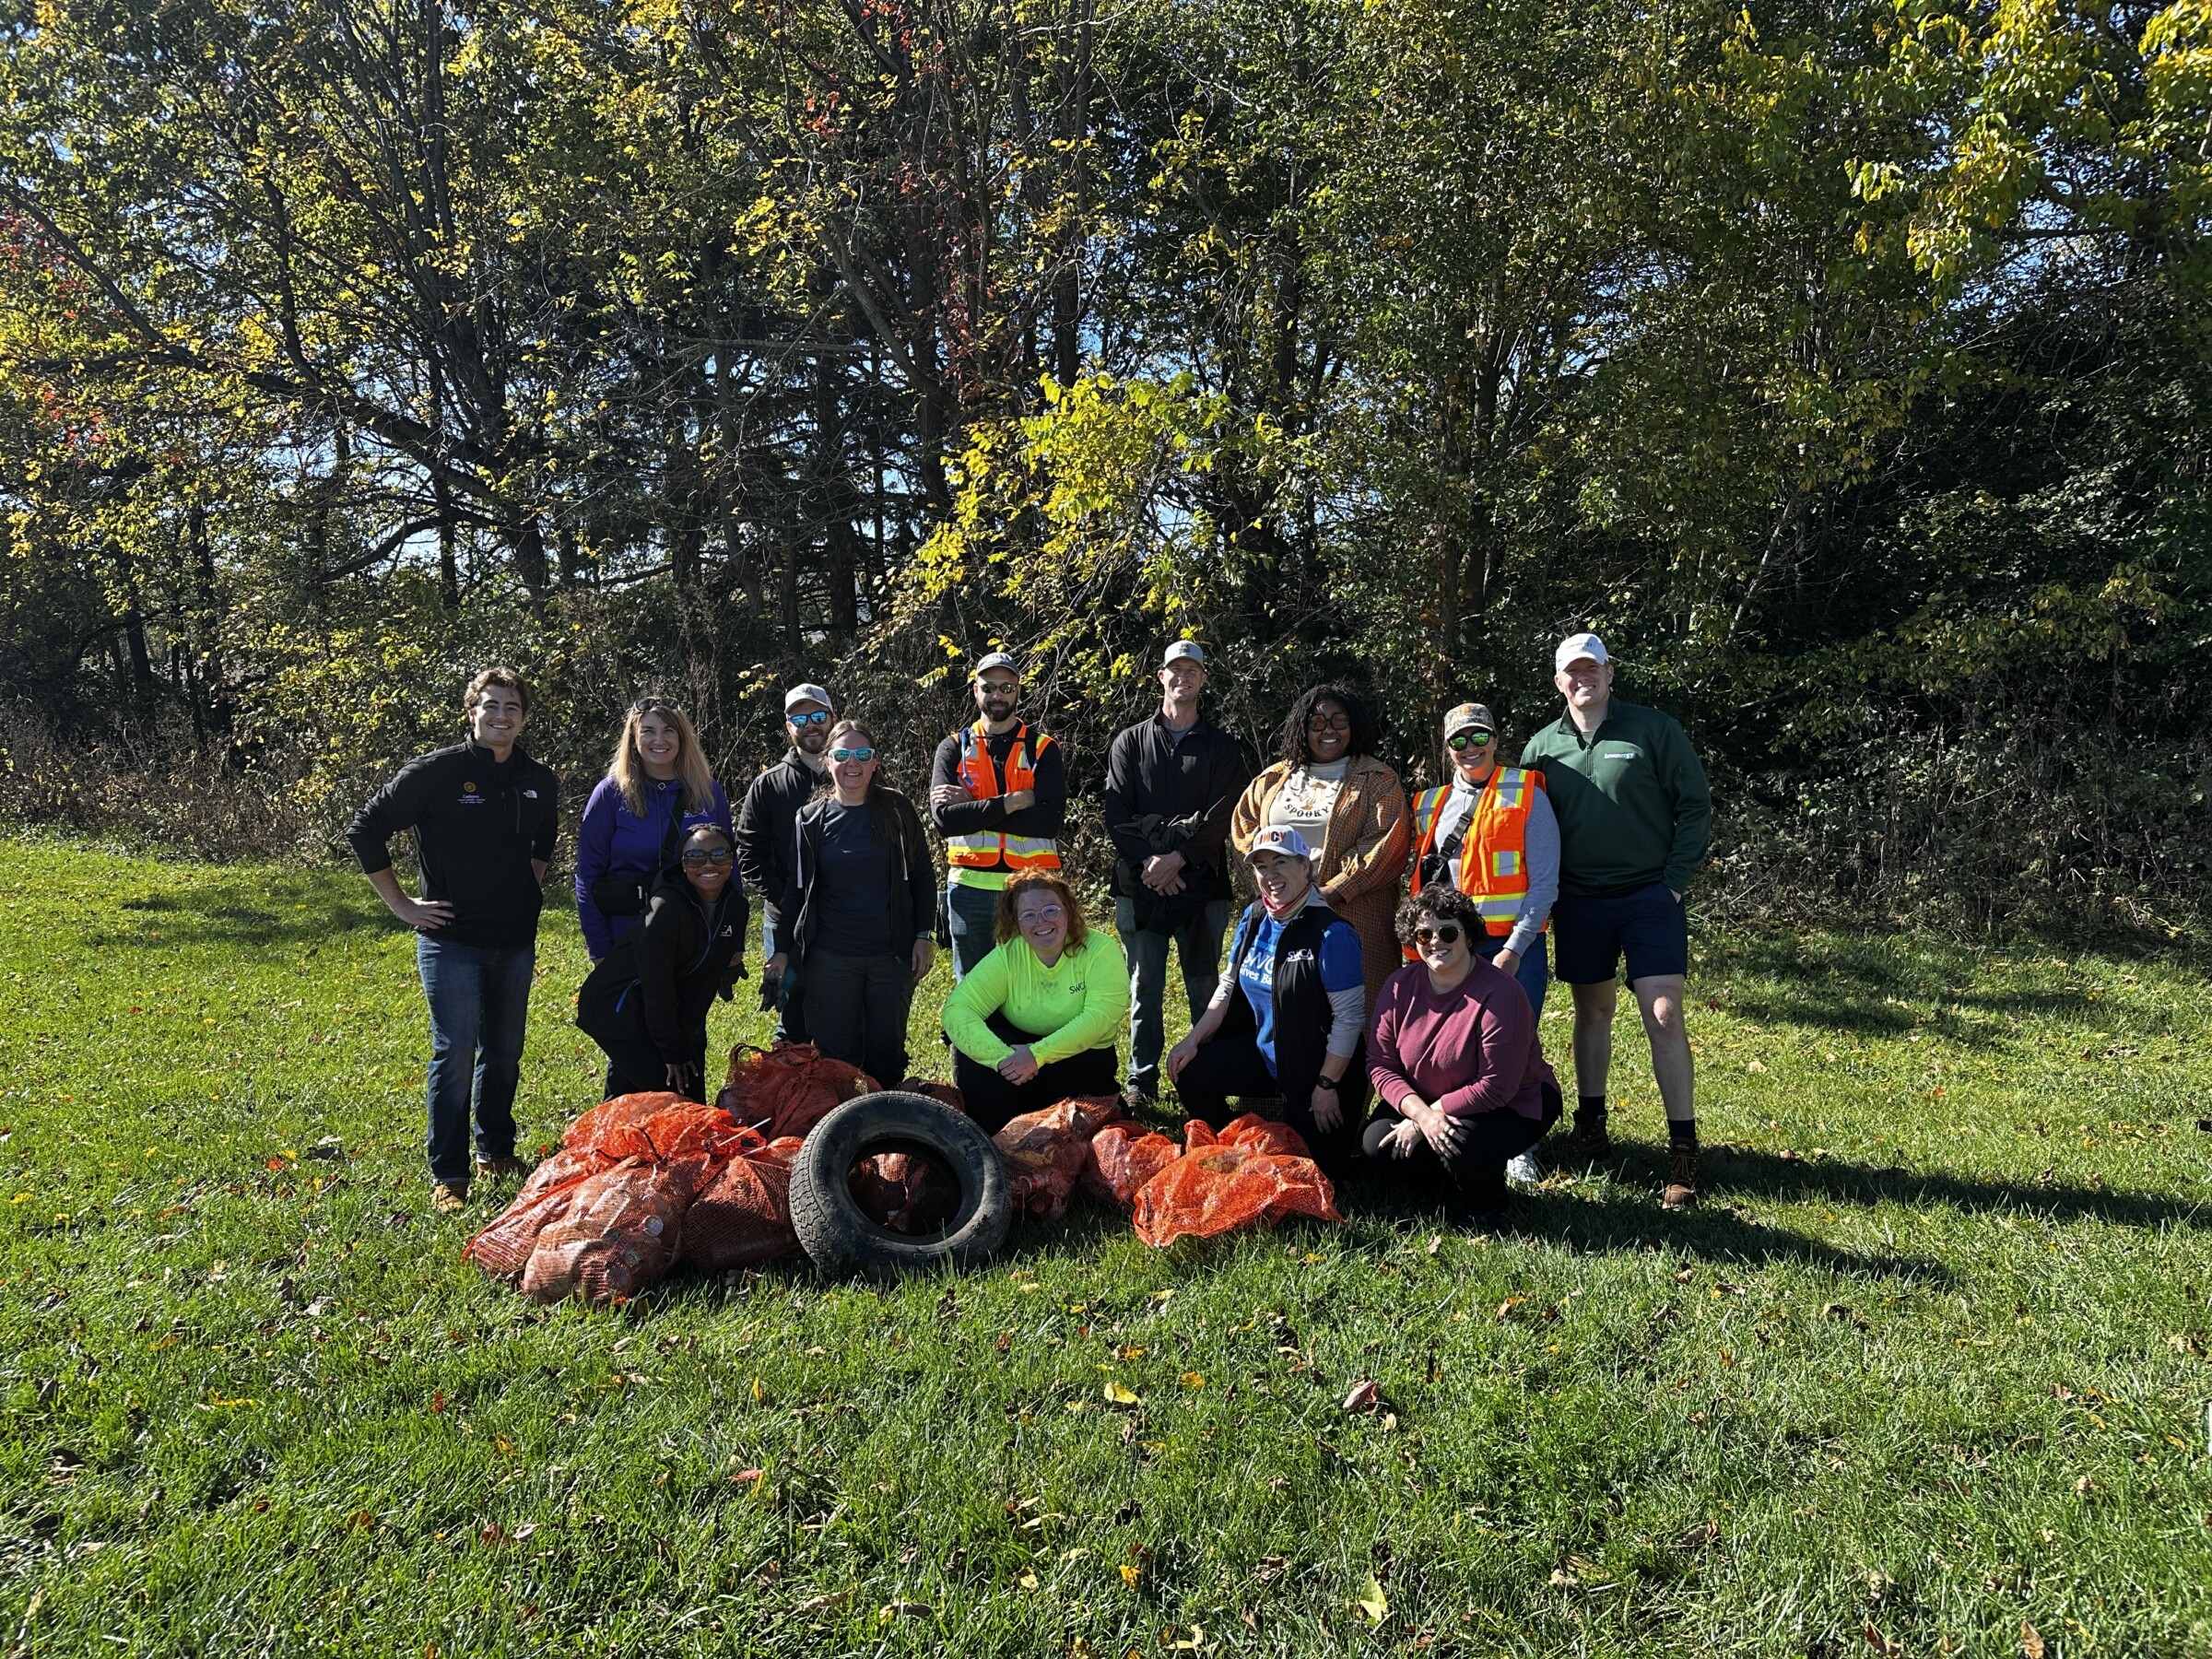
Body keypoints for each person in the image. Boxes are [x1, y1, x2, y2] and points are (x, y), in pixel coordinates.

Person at [345, 667, 559, 1214]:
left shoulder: (539, 778)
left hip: (514, 939)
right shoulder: (437, 773)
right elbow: (365, 830)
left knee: (506, 1052)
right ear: (471, 711)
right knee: (456, 1053)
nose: (500, 716)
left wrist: (528, 882)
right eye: (490, 706)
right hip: (451, 941)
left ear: (524, 717)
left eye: (511, 707)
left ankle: (496, 1151)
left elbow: (545, 836)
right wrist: (402, 905)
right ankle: (449, 1173)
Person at [1520, 632, 1712, 1208]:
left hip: (1649, 898)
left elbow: (1694, 804)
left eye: (1593, 669)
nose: (1584, 679)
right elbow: (1524, 825)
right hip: (1579, 901)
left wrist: (1673, 882)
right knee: (1592, 1012)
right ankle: (1592, 1125)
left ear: (1610, 674)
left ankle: (1683, 1149)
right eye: (1572, 672)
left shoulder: (1654, 730)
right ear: (1559, 682)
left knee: (1665, 1014)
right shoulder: (1541, 749)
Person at [1164, 827, 1366, 1176]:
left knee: (1317, 1172)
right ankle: (1234, 1147)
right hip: (1264, 1059)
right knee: (1189, 1069)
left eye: (1280, 862)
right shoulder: (1254, 916)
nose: (1270, 875)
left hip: (1317, 1073)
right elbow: (1227, 986)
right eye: (1261, 866)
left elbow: (1349, 1019)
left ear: (1305, 867)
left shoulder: (1333, 934)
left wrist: (1326, 1085)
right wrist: (1192, 1040)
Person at [1363, 886, 1564, 1231]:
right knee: (1376, 1144)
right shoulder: (1398, 985)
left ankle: (1485, 1208)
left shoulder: (1501, 992)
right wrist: (1421, 1115)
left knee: (1462, 1142)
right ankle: (1447, 1183)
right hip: (1426, 1100)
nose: (1435, 941)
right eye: (1423, 934)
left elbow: (1496, 1087)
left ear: (1469, 936)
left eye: (1448, 931)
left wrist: (1429, 1118)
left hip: (1515, 1102)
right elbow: (1380, 1064)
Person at [1103, 640, 1250, 1109]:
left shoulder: (1223, 747)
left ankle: (1205, 1076)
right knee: (1143, 986)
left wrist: (1178, 860)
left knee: (1205, 984)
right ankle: (1141, 1081)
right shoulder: (1129, 741)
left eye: (1192, 669)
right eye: (1174, 669)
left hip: (1201, 884)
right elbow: (1116, 810)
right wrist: (1149, 863)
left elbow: (1224, 815)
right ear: (1160, 677)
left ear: (1203, 679)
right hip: (1138, 882)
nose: (1182, 676)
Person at [771, 719, 939, 1088]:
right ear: (827, 761)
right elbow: (795, 892)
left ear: (875, 762)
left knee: (885, 1052)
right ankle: (840, 1136)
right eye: (843, 754)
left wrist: (924, 935)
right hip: (830, 958)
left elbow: (924, 878)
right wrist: (781, 951)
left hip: (890, 956)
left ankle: (888, 1132)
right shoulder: (809, 820)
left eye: (862, 755)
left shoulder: (897, 811)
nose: (853, 763)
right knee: (837, 1059)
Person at [1230, 684, 1407, 1016]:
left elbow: (1385, 843)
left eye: (1339, 721)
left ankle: (1357, 1068)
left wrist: (1329, 892)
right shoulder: (1275, 778)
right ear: (1303, 728)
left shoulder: (1377, 778)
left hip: (1353, 913)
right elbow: (1245, 828)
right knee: (1289, 1006)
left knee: (1356, 1011)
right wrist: (1278, 884)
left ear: (1353, 726)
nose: (1329, 730)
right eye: (1317, 722)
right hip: (1281, 913)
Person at [940, 871, 1130, 1134]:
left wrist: (1036, 1055)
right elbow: (956, 1011)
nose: (1041, 921)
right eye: (1029, 915)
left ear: (1068, 910)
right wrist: (1003, 1058)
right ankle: (993, 1143)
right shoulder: (1008, 955)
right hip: (1018, 1068)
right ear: (1016, 924)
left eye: (1051, 910)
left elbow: (1099, 1018)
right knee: (971, 1054)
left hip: (1082, 1064)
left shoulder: (1100, 949)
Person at [575, 823, 748, 1100]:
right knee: (675, 1095)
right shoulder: (665, 909)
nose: (708, 864)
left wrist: (684, 1045)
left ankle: (615, 1137)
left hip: (660, 1008)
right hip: (616, 1007)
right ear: (682, 864)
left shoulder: (735, 909)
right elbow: (658, 985)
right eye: (695, 857)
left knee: (683, 1088)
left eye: (719, 854)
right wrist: (671, 1051)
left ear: (731, 860)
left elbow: (704, 985)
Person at [1406, 701, 1558, 1016]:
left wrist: (1514, 950)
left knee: (1513, 1045)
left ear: (1495, 740)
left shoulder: (1527, 792)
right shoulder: (1427, 803)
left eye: (1479, 737)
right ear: (1449, 748)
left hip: (1512, 945)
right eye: (1459, 741)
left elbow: (1545, 883)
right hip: (1449, 946)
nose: (1470, 747)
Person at [928, 653, 1068, 979]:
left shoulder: (1042, 748)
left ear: (1018, 691)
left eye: (1006, 687)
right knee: (973, 987)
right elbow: (945, 822)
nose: (997, 695)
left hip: (1032, 886)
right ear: (975, 691)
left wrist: (973, 806)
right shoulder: (952, 748)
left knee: (1031, 981)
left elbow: (1048, 822)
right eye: (988, 687)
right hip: (968, 889)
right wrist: (1012, 802)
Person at [573, 697, 735, 966]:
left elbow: (730, 866)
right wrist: (599, 948)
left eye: (668, 730)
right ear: (634, 739)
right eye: (648, 731)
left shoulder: (709, 792)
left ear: (682, 738)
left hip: (693, 936)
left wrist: (731, 936)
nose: (659, 740)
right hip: (625, 937)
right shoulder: (610, 794)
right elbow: (587, 876)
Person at [735, 683, 834, 1042]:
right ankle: (790, 1091)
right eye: (800, 718)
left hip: (844, 916)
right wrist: (785, 898)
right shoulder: (768, 786)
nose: (811, 725)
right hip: (784, 918)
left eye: (818, 716)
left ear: (832, 720)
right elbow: (748, 852)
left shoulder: (856, 775)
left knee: (842, 1010)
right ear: (788, 726)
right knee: (790, 1011)